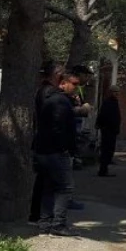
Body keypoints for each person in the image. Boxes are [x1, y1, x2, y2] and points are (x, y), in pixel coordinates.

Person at [34, 69, 81, 236]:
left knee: (48, 186)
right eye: (74, 84)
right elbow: (60, 127)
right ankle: (58, 224)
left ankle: (45, 222)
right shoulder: (60, 101)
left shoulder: (53, 99)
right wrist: (66, 148)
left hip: (43, 149)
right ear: (63, 83)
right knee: (65, 187)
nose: (76, 87)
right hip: (55, 151)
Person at [28, 61, 62, 224]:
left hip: (44, 140)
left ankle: (38, 215)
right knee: (46, 181)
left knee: (44, 180)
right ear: (55, 74)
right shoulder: (48, 92)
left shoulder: (44, 90)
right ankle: (39, 216)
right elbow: (54, 116)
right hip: (48, 142)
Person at [96, 87, 122, 177]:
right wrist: (100, 124)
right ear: (110, 92)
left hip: (112, 129)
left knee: (109, 149)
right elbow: (102, 115)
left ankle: (104, 168)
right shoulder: (108, 102)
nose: (116, 94)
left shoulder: (114, 102)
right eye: (115, 92)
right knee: (106, 150)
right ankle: (103, 170)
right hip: (108, 129)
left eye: (117, 92)